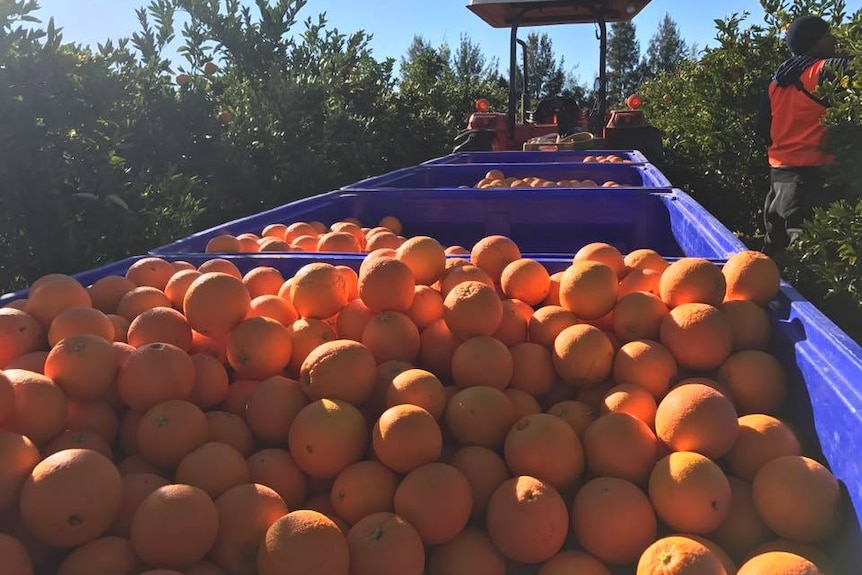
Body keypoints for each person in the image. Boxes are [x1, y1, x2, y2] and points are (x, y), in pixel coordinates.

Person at [755, 14, 852, 256]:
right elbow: (855, 66)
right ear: (815, 42)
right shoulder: (824, 69)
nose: (833, 40)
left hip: (779, 179)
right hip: (812, 180)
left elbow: (761, 127)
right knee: (810, 257)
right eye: (828, 35)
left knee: (777, 251)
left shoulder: (777, 82)